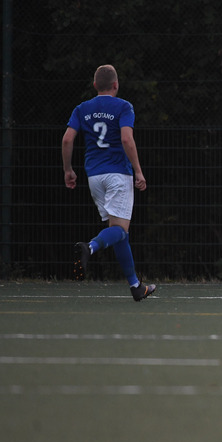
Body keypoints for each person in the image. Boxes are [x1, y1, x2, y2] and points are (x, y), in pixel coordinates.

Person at [62, 64, 156, 301]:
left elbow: (67, 140)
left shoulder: (82, 108)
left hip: (94, 176)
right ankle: (90, 247)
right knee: (119, 230)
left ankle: (136, 286)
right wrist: (139, 171)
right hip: (117, 175)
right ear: (116, 85)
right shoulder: (124, 106)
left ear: (95, 86)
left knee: (119, 232)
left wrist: (68, 170)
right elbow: (126, 138)